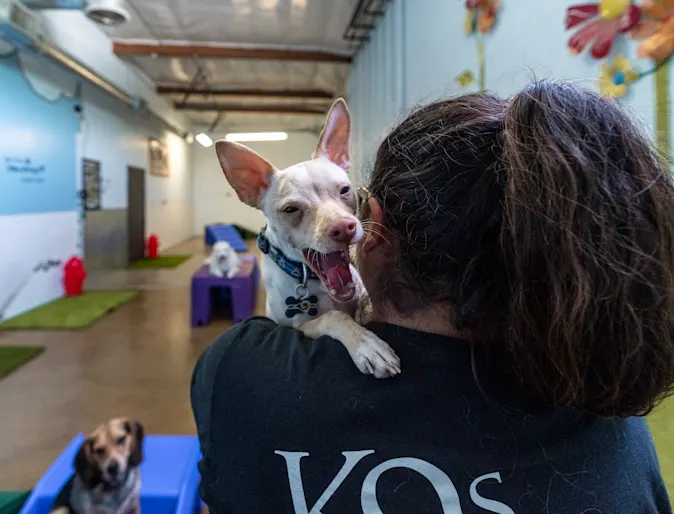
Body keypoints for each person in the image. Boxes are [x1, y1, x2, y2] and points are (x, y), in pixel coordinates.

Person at [191, 81, 674, 513]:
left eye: (347, 196)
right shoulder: (612, 428)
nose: (338, 219)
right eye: (296, 211)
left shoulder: (235, 370)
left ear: (375, 226)